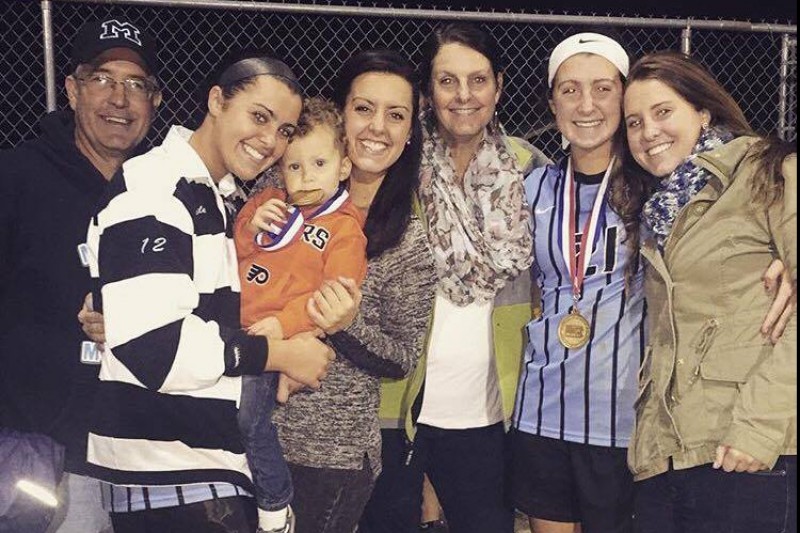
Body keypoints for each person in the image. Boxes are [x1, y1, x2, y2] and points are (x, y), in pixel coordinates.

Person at [83, 50, 336, 533]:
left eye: (284, 130)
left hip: (196, 463)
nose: (271, 141)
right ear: (217, 101)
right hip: (169, 466)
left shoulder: (214, 196)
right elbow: (156, 348)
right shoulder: (156, 185)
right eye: (259, 117)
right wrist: (279, 354)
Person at [359, 22, 541, 533]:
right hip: (397, 405)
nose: (464, 95)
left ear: (498, 87)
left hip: (488, 413)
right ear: (427, 92)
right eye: (447, 81)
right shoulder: (398, 166)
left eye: (478, 80)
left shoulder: (529, 169)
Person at [622, 50, 796, 533]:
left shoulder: (767, 171)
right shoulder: (658, 211)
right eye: (634, 122)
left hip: (748, 452)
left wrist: (757, 429)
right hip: (668, 459)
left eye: (663, 112)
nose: (648, 131)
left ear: (703, 111)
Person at [0, 18, 162, 533]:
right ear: (71, 90)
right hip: (44, 456)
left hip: (145, 453)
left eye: (136, 84)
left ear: (155, 102)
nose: (119, 99)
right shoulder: (16, 177)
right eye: (102, 79)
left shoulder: (162, 192)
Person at [268, 48, 437, 533]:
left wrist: (346, 326)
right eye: (364, 108)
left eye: (396, 115)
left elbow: (402, 358)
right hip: (249, 432)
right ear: (340, 115)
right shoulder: (277, 194)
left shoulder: (407, 240)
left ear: (410, 133)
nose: (377, 127)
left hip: (329, 457)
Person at [509, 31, 640, 533]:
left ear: (624, 96)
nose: (586, 105)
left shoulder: (655, 187)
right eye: (570, 90)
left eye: (603, 89)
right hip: (542, 410)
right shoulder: (532, 188)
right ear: (552, 103)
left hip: (624, 420)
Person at [233, 96, 367, 532]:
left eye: (319, 164)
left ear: (343, 167)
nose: (306, 176)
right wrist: (248, 230)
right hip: (231, 330)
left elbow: (334, 296)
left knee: (248, 421)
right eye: (294, 166)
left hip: (273, 340)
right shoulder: (267, 203)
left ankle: (275, 505)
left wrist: (284, 326)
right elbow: (227, 256)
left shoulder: (344, 230)